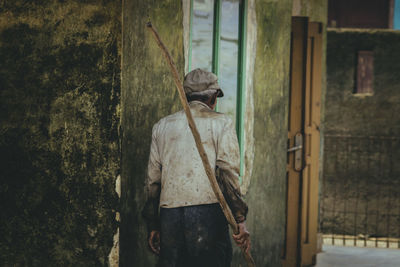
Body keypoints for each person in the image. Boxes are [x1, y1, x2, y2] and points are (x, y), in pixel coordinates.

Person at [142, 68, 250, 267]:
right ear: (214, 97)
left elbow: (152, 181)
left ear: (185, 96)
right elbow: (228, 175)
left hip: (169, 217)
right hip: (208, 214)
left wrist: (153, 225)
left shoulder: (162, 126)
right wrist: (239, 218)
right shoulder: (222, 123)